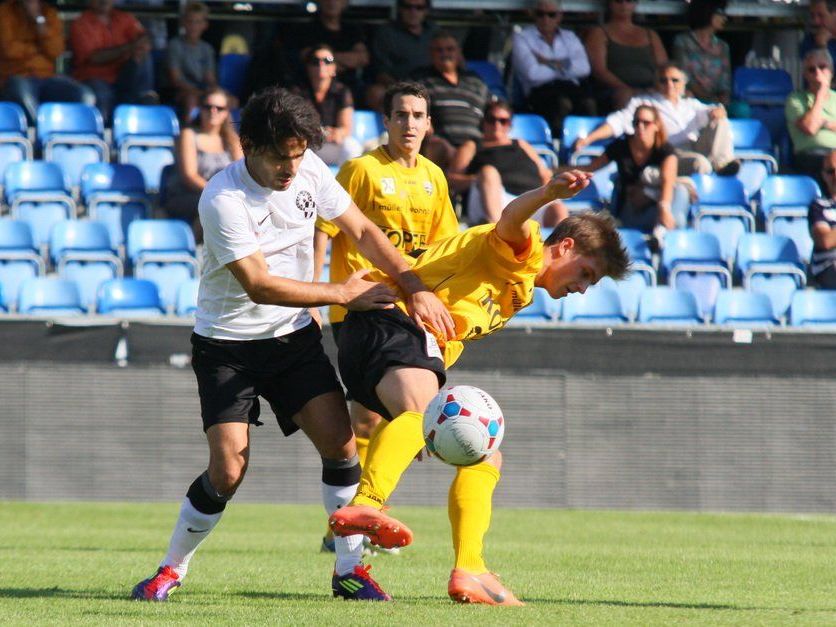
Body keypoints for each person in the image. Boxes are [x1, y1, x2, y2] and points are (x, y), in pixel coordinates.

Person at [130, 86, 454, 603]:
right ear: (249, 147)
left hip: (291, 340)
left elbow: (364, 231)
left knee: (342, 447)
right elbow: (257, 283)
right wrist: (341, 293)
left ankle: (349, 572)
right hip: (227, 346)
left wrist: (413, 286)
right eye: (281, 157)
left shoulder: (310, 171)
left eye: (299, 155)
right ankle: (170, 569)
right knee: (228, 471)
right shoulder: (222, 197)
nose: (291, 168)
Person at [328, 175, 629, 605]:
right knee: (421, 411)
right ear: (564, 248)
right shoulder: (523, 253)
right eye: (586, 273)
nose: (582, 288)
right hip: (389, 316)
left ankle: (470, 567)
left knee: (485, 453)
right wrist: (546, 194)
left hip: (383, 337)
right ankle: (367, 503)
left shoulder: (520, 287)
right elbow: (511, 217)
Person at [314, 80, 459, 551]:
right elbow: (322, 228)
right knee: (415, 414)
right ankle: (368, 510)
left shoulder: (435, 178)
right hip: (363, 304)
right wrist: (318, 297)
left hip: (407, 311)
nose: (410, 123)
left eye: (419, 115)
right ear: (387, 121)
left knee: (369, 421)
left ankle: (349, 524)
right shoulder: (361, 170)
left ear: (430, 123)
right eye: (401, 115)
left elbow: (441, 253)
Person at [574, 62, 739, 176]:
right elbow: (617, 122)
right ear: (657, 83)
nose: (669, 84)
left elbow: (711, 112)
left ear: (683, 84)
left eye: (674, 80)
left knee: (719, 118)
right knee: (700, 163)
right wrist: (588, 139)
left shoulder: (691, 105)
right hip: (668, 153)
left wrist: (717, 111)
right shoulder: (644, 103)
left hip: (694, 147)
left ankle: (722, 165)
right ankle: (713, 171)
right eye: (663, 80)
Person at [448, 99, 567, 226]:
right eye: (491, 119)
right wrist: (479, 179)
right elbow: (450, 179)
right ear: (483, 122)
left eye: (503, 121)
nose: (497, 125)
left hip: (528, 200)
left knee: (558, 209)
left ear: (509, 124)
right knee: (489, 172)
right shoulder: (472, 146)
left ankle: (556, 245)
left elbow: (545, 174)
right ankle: (498, 235)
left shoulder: (521, 144)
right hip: (494, 200)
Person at [578, 104, 690, 232]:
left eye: (646, 123)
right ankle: (664, 236)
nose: (640, 127)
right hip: (629, 210)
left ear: (656, 125)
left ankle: (662, 234)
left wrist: (660, 204)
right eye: (636, 123)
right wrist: (555, 171)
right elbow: (591, 167)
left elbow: (668, 181)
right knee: (677, 216)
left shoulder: (665, 150)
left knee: (680, 193)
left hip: (657, 208)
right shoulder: (621, 146)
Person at [163, 87, 243, 241]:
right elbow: (190, 175)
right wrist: (218, 193)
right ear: (200, 109)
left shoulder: (232, 140)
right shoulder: (189, 135)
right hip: (187, 195)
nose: (213, 111)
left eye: (219, 108)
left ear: (227, 112)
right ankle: (198, 249)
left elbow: (241, 172)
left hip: (223, 196)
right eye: (208, 107)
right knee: (215, 205)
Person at [0, 0, 96, 125]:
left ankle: (79, 137)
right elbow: (9, 51)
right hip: (16, 76)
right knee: (23, 93)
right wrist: (39, 49)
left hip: (46, 77)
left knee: (84, 95)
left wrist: (38, 20)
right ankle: (43, 132)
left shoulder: (49, 14)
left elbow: (56, 51)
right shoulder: (4, 12)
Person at [511, 0, 595, 137]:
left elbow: (584, 68)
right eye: (540, 14)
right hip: (538, 91)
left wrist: (546, 62)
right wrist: (565, 65)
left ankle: (588, 145)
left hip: (571, 88)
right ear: (533, 15)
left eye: (551, 14)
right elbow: (533, 74)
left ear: (560, 16)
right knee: (561, 104)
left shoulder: (570, 37)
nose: (545, 19)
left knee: (589, 103)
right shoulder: (522, 37)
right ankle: (558, 147)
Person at [412, 31, 491, 170]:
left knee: (470, 147)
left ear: (459, 52)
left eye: (450, 49)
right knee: (437, 146)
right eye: (439, 50)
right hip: (441, 142)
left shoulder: (475, 80)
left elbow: (492, 109)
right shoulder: (420, 79)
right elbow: (409, 104)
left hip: (475, 143)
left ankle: (451, 186)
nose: (445, 54)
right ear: (431, 53)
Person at [69, 0, 157, 123]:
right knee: (101, 95)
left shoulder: (124, 18)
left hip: (125, 75)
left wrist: (140, 46)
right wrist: (130, 47)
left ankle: (145, 96)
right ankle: (104, 133)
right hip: (95, 78)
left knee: (143, 56)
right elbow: (95, 58)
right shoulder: (80, 24)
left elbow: (145, 39)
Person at [584, 0, 668, 110]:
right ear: (610, 3)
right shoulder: (599, 33)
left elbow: (664, 67)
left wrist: (657, 87)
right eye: (618, 1)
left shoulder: (650, 34)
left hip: (650, 87)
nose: (624, 5)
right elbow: (599, 70)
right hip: (613, 90)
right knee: (624, 95)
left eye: (629, 1)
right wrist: (626, 88)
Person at [296, 43, 362, 167]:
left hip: (330, 145)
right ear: (308, 67)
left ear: (334, 68)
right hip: (308, 147)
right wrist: (321, 133)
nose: (322, 65)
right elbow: (297, 127)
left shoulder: (342, 91)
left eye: (327, 61)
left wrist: (338, 133)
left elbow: (345, 128)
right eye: (315, 61)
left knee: (351, 146)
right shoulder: (298, 93)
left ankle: (345, 185)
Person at [291, 0, 370, 103]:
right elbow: (307, 57)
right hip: (313, 89)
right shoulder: (308, 29)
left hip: (351, 86)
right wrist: (342, 60)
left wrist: (329, 57)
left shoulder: (352, 30)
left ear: (344, 3)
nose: (332, 2)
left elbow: (363, 58)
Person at [366, 0, 436, 113]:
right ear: (399, 8)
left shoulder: (435, 32)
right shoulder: (386, 33)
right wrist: (404, 90)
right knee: (376, 92)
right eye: (408, 7)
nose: (413, 11)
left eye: (419, 7)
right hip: (398, 87)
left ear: (426, 10)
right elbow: (381, 72)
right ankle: (396, 127)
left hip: (433, 88)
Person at [786, 48, 836, 179]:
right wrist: (821, 93)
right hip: (810, 156)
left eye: (822, 67)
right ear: (805, 75)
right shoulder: (795, 99)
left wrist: (824, 122)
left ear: (831, 70)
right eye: (811, 69)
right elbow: (810, 127)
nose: (817, 72)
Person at [672, 0, 732, 105]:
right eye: (720, 12)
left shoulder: (723, 46)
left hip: (717, 101)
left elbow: (725, 79)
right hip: (691, 99)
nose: (724, 18)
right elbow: (684, 75)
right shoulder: (683, 41)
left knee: (741, 110)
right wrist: (707, 97)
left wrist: (723, 97)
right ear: (706, 12)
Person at [165, 1, 218, 116]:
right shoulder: (175, 45)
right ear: (183, 23)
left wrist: (215, 90)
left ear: (205, 25)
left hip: (201, 91)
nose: (194, 26)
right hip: (179, 92)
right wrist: (198, 92)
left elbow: (210, 78)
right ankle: (189, 130)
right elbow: (176, 80)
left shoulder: (207, 48)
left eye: (198, 22)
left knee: (227, 100)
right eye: (190, 21)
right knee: (192, 99)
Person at [809, 149, 836, 288]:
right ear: (824, 176)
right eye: (831, 171)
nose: (835, 176)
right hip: (829, 266)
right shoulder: (819, 206)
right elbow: (824, 241)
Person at [800, 0, 836, 66]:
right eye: (812, 16)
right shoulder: (809, 41)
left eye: (821, 15)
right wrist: (821, 46)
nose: (815, 21)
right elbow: (816, 72)